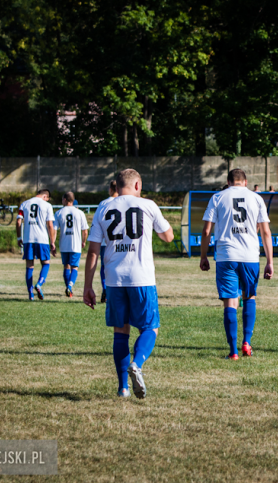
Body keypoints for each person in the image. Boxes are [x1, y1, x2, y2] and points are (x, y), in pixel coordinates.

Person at [83, 169, 173, 399]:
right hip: (141, 277)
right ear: (137, 186)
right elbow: (168, 237)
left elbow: (93, 251)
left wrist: (87, 286)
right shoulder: (148, 205)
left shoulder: (103, 207)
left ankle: (123, 388)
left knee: (120, 332)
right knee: (150, 327)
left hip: (114, 280)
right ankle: (137, 363)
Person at [200, 168, 274, 360]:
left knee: (230, 302)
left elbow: (207, 230)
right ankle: (246, 343)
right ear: (246, 182)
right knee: (249, 297)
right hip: (250, 256)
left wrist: (203, 256)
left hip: (226, 255)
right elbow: (265, 233)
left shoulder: (217, 197)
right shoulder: (256, 198)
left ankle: (233, 352)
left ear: (228, 181)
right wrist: (269, 262)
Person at [16, 189, 56, 301]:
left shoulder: (24, 204)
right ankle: (39, 284)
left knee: (29, 266)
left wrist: (19, 237)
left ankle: (30, 294)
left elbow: (19, 221)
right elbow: (50, 225)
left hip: (28, 239)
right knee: (46, 263)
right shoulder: (47, 206)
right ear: (45, 196)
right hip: (42, 239)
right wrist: (52, 241)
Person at [55, 191, 89, 298]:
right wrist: (83, 241)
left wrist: (52, 242)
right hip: (76, 244)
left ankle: (69, 290)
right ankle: (70, 286)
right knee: (75, 267)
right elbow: (85, 230)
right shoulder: (80, 213)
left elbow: (54, 229)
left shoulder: (59, 213)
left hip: (64, 244)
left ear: (65, 199)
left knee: (66, 266)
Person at [89, 181, 118, 304]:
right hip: (119, 241)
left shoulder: (103, 204)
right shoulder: (126, 202)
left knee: (104, 267)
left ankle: (105, 289)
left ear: (110, 189)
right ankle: (114, 292)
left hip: (105, 242)